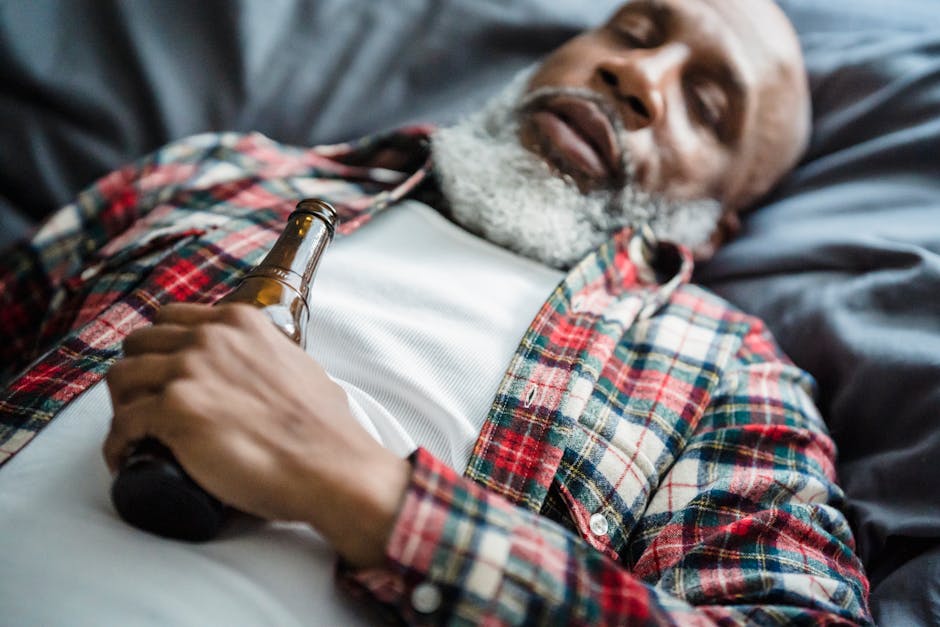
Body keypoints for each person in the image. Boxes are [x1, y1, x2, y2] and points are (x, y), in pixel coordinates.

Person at [0, 0, 869, 623]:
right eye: (631, 31)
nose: (637, 73)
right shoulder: (222, 172)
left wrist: (362, 488)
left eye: (707, 106)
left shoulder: (727, 369)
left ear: (716, 225)